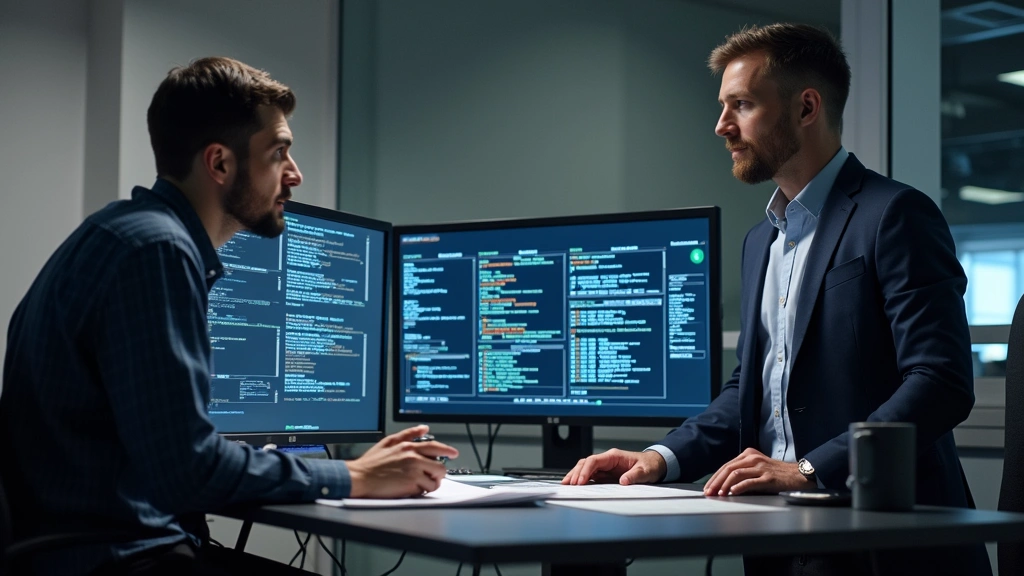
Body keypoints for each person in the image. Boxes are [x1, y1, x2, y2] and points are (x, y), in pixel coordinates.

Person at [0, 57, 458, 576]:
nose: (295, 174)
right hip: (117, 559)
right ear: (219, 163)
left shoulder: (122, 234)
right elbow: (186, 469)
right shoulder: (157, 252)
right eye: (278, 152)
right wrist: (353, 475)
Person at [562, 23, 991, 576]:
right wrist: (659, 459)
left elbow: (939, 383)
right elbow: (751, 388)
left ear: (806, 107)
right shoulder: (762, 238)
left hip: (883, 542)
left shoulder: (895, 216)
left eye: (741, 104)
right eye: (724, 106)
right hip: (776, 537)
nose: (721, 126)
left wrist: (810, 469)